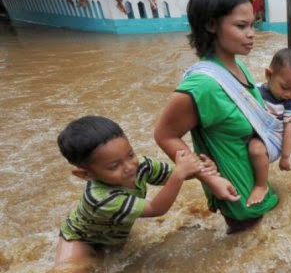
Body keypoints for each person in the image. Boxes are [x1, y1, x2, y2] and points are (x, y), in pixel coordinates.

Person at [154, 0, 279, 234]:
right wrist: (210, 178)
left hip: (257, 189)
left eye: (252, 25)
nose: (251, 34)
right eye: (241, 26)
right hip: (239, 201)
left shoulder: (237, 66)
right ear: (212, 25)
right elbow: (164, 135)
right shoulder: (203, 86)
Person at [53, 115, 227, 269]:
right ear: (85, 174)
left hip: (112, 234)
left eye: (130, 155)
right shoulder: (100, 199)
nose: (129, 167)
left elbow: (172, 174)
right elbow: (156, 209)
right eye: (114, 166)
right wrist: (181, 172)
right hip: (82, 239)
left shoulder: (141, 165)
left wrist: (200, 168)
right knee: (72, 269)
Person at [245, 48, 291, 206]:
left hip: (273, 140)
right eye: (285, 87)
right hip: (257, 131)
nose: (289, 94)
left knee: (255, 149)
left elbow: (289, 129)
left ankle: (261, 186)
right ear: (268, 75)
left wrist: (285, 157)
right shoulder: (255, 91)